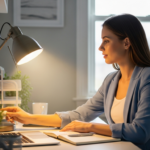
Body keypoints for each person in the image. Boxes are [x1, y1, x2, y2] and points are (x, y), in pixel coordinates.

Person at [2, 14, 150, 150]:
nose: (100, 47)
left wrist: (90, 127)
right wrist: (28, 117)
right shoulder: (111, 80)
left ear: (126, 43)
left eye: (106, 40)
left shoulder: (147, 78)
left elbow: (140, 132)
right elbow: (79, 115)